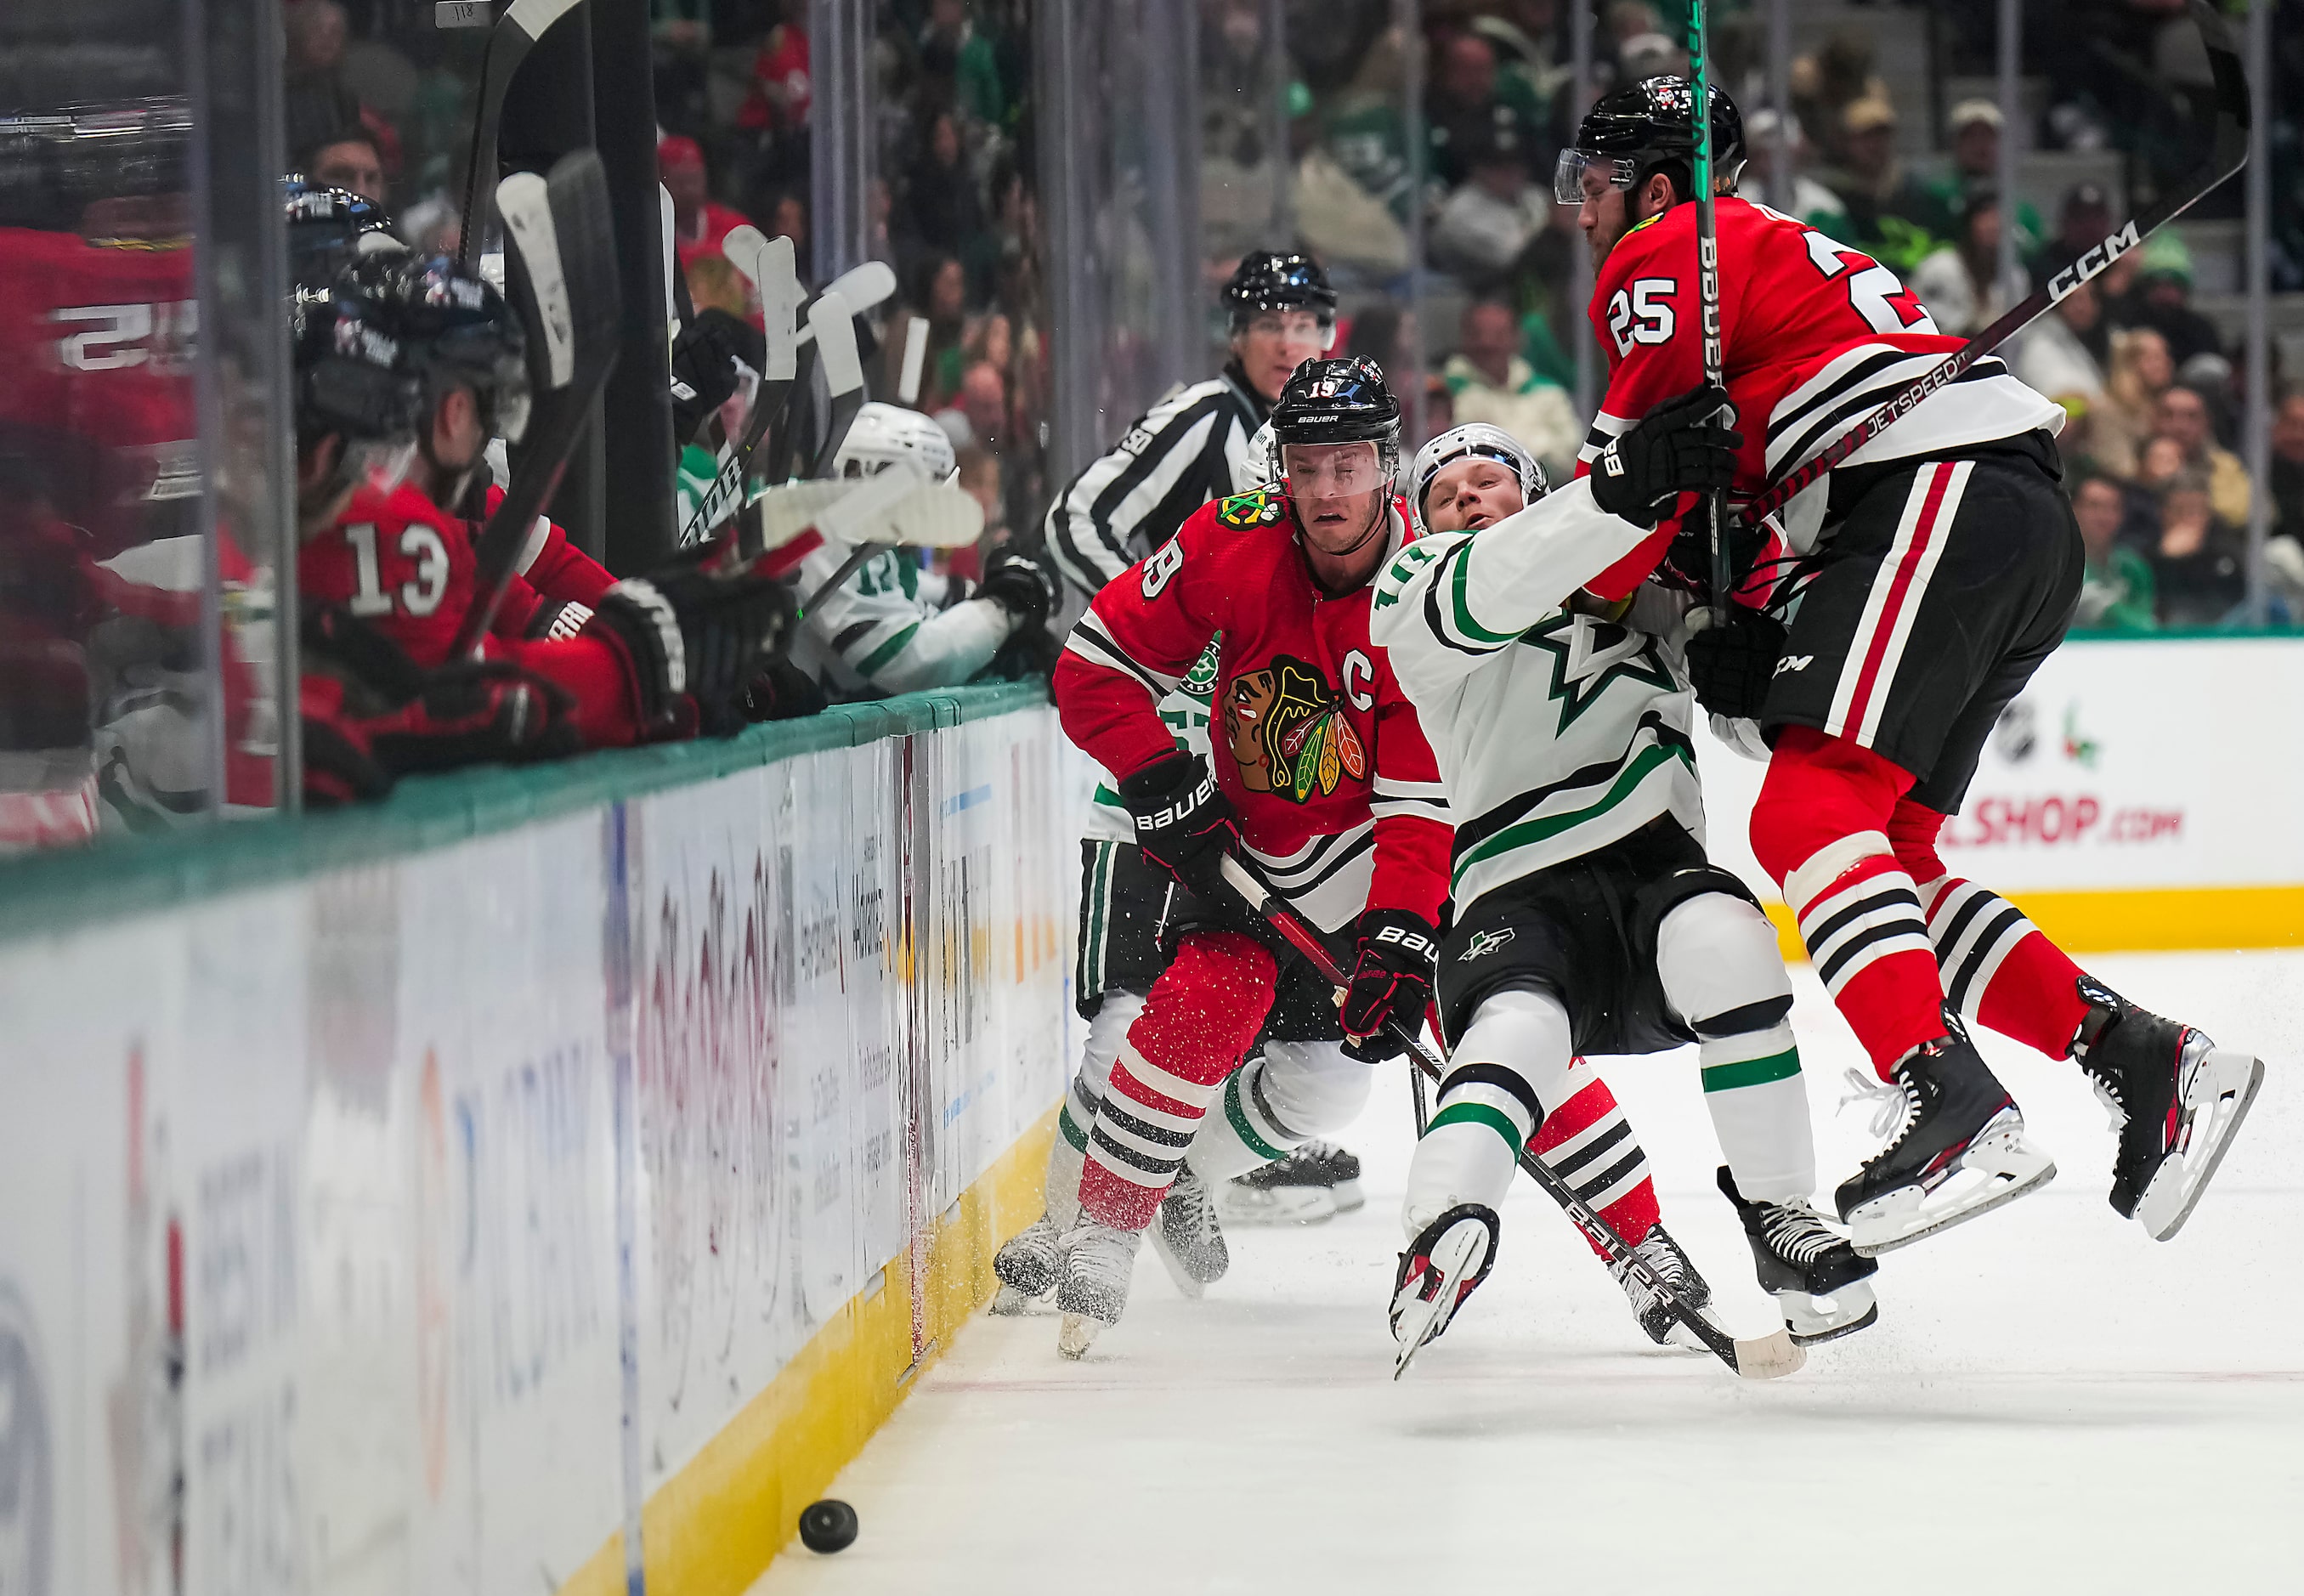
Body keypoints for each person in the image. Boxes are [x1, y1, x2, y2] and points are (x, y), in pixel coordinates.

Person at [1554, 74, 2262, 1254]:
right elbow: (1710, 502)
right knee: (1884, 853)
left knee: (1801, 811)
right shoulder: (1757, 267)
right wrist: (1730, 619)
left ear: (1655, 185)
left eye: (1592, 185)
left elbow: (1615, 507)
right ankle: (2144, 1061)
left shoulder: (1669, 246)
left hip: (1933, 491)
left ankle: (1949, 1097)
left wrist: (1544, 582)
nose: (1580, 212)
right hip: (1994, 513)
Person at [1371, 422, 1878, 1360]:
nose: (1468, 501)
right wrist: (1613, 494)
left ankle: (1781, 1220)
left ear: (1530, 491)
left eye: (1490, 483)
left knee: (1728, 944)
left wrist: (1750, 671)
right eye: (1446, 495)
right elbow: (1492, 590)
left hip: (1653, 869)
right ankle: (1439, 1228)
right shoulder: (1414, 586)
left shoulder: (1646, 592)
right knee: (1517, 1032)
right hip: (1517, 883)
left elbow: (1759, 732)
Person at [1044, 358, 1452, 1356]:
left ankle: (1185, 1173)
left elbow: (1419, 796)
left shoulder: (1429, 591)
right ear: (1281, 468)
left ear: (1385, 468)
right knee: (1188, 1016)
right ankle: (1098, 1230)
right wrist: (1151, 773)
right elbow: (1090, 666)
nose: (1325, 491)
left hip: (1359, 873)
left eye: (1347, 465)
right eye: (1306, 466)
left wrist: (1400, 933)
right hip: (1242, 857)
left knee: (1330, 1086)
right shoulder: (1228, 545)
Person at [997, 254, 1350, 1321]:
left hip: (1268, 795)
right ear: (1234, 333)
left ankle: (1175, 1172)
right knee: (1125, 1026)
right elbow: (1076, 523)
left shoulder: (1343, 461)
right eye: (1268, 320)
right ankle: (1058, 1238)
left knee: (1312, 1062)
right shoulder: (1206, 419)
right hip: (1154, 777)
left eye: (1306, 319)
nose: (1289, 340)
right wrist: (1164, 622)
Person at [785, 403, 1051, 697]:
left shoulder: (871, 542)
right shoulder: (830, 540)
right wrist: (1000, 611)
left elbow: (920, 615)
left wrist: (994, 627)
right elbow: (904, 661)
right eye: (929, 489)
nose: (931, 510)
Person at [1441, 298, 1582, 479]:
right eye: (1479, 335)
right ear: (1465, 338)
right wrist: (1540, 450)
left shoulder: (1548, 392)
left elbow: (1572, 450)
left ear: (1517, 338)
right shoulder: (1448, 390)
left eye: (1499, 335)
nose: (1488, 343)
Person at [2152, 383, 2250, 529]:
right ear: (2154, 421)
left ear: (2206, 423)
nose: (2180, 426)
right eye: (2168, 415)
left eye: (2191, 417)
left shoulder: (2225, 464)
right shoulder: (2133, 465)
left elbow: (2253, 512)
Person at [2069, 471, 2157, 632]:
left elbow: (2146, 624)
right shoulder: (2061, 567)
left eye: (2112, 508)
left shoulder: (2134, 568)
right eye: (2094, 506)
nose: (2103, 517)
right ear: (2073, 510)